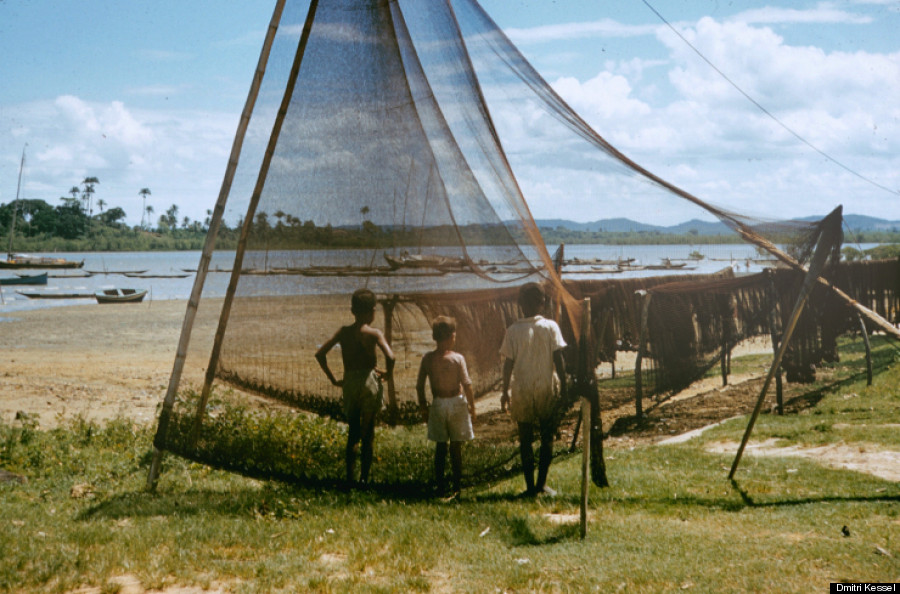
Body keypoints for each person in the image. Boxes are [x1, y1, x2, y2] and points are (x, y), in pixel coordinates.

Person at [316, 288, 395, 486]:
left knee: (353, 434)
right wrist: (387, 373)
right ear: (372, 312)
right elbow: (391, 356)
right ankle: (364, 479)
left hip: (350, 381)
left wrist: (333, 379)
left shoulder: (344, 332)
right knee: (368, 434)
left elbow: (320, 354)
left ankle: (350, 478)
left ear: (353, 311)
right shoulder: (374, 333)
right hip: (369, 381)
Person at [500, 282, 567, 497]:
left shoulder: (513, 331)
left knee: (526, 439)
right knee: (547, 437)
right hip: (545, 388)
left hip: (522, 390)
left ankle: (530, 487)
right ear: (543, 303)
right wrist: (564, 388)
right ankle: (541, 484)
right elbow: (559, 359)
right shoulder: (550, 327)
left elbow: (507, 364)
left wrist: (504, 392)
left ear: (520, 304)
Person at [416, 316, 476, 498]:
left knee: (441, 447)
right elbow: (466, 384)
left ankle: (441, 485)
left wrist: (424, 407)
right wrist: (473, 406)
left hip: (438, 403)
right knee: (456, 447)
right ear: (451, 337)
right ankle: (457, 485)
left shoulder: (428, 358)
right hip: (456, 402)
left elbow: (419, 386)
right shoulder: (458, 358)